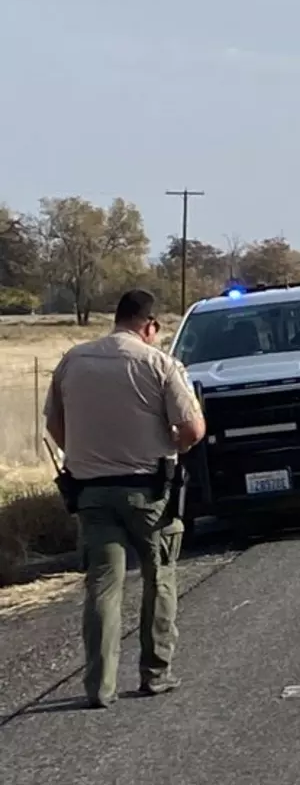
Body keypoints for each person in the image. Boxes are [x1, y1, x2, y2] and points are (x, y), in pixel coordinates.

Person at [44, 290, 206, 708]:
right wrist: (171, 444)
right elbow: (192, 429)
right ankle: (156, 673)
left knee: (102, 585)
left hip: (92, 491)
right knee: (160, 576)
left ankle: (100, 685)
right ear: (149, 325)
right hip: (148, 490)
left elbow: (55, 425)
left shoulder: (72, 361)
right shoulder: (160, 364)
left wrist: (81, 455)